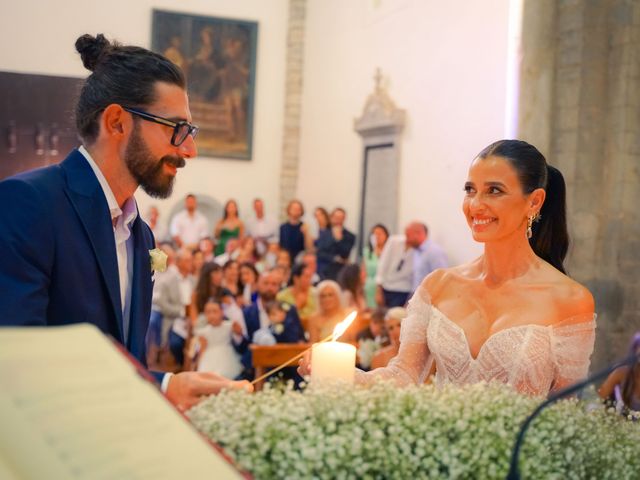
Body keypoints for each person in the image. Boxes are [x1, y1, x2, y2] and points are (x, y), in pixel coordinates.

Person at [0, 33, 250, 412]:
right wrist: (163, 386)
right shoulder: (28, 204)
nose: (189, 150)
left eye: (190, 132)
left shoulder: (140, 235)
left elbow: (123, 355)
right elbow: (20, 362)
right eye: (176, 129)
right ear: (117, 122)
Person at [302, 139, 596, 397]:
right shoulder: (438, 286)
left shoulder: (570, 300)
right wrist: (340, 375)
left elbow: (567, 410)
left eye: (494, 191)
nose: (475, 205)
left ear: (534, 201)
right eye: (470, 190)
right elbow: (403, 377)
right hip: (443, 452)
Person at [194, 298, 243, 379]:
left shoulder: (229, 326)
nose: (211, 315)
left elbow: (239, 337)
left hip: (227, 356)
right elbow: (201, 350)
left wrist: (238, 331)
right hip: (209, 358)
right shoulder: (203, 332)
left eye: (214, 311)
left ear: (222, 312)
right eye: (208, 312)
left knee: (226, 374)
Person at [405, 222, 449, 291]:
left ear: (418, 233)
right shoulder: (416, 250)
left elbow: (441, 279)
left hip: (428, 297)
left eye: (408, 236)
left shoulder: (435, 252)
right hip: (415, 293)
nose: (406, 240)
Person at [316, 207, 356, 280]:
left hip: (340, 272)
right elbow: (320, 252)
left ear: (344, 219)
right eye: (336, 217)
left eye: (340, 218)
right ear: (332, 217)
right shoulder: (324, 233)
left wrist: (339, 240)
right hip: (324, 270)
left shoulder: (350, 236)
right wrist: (334, 258)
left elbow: (345, 253)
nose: (338, 220)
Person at [277, 262, 317, 331]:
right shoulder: (282, 296)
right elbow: (280, 319)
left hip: (313, 329)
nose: (309, 280)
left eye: (310, 277)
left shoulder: (316, 293)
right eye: (306, 277)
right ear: (296, 278)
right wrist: (296, 307)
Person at [363, 224, 389, 308]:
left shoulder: (389, 252)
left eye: (380, 234)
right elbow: (363, 272)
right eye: (374, 234)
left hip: (385, 286)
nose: (377, 236)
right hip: (370, 286)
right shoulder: (367, 252)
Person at [279, 199, 312, 263]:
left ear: (301, 211)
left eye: (298, 209)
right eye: (294, 208)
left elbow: (309, 249)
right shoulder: (282, 227)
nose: (296, 211)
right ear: (289, 210)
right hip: (285, 260)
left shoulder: (305, 226)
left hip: (300, 260)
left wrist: (306, 233)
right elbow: (280, 246)